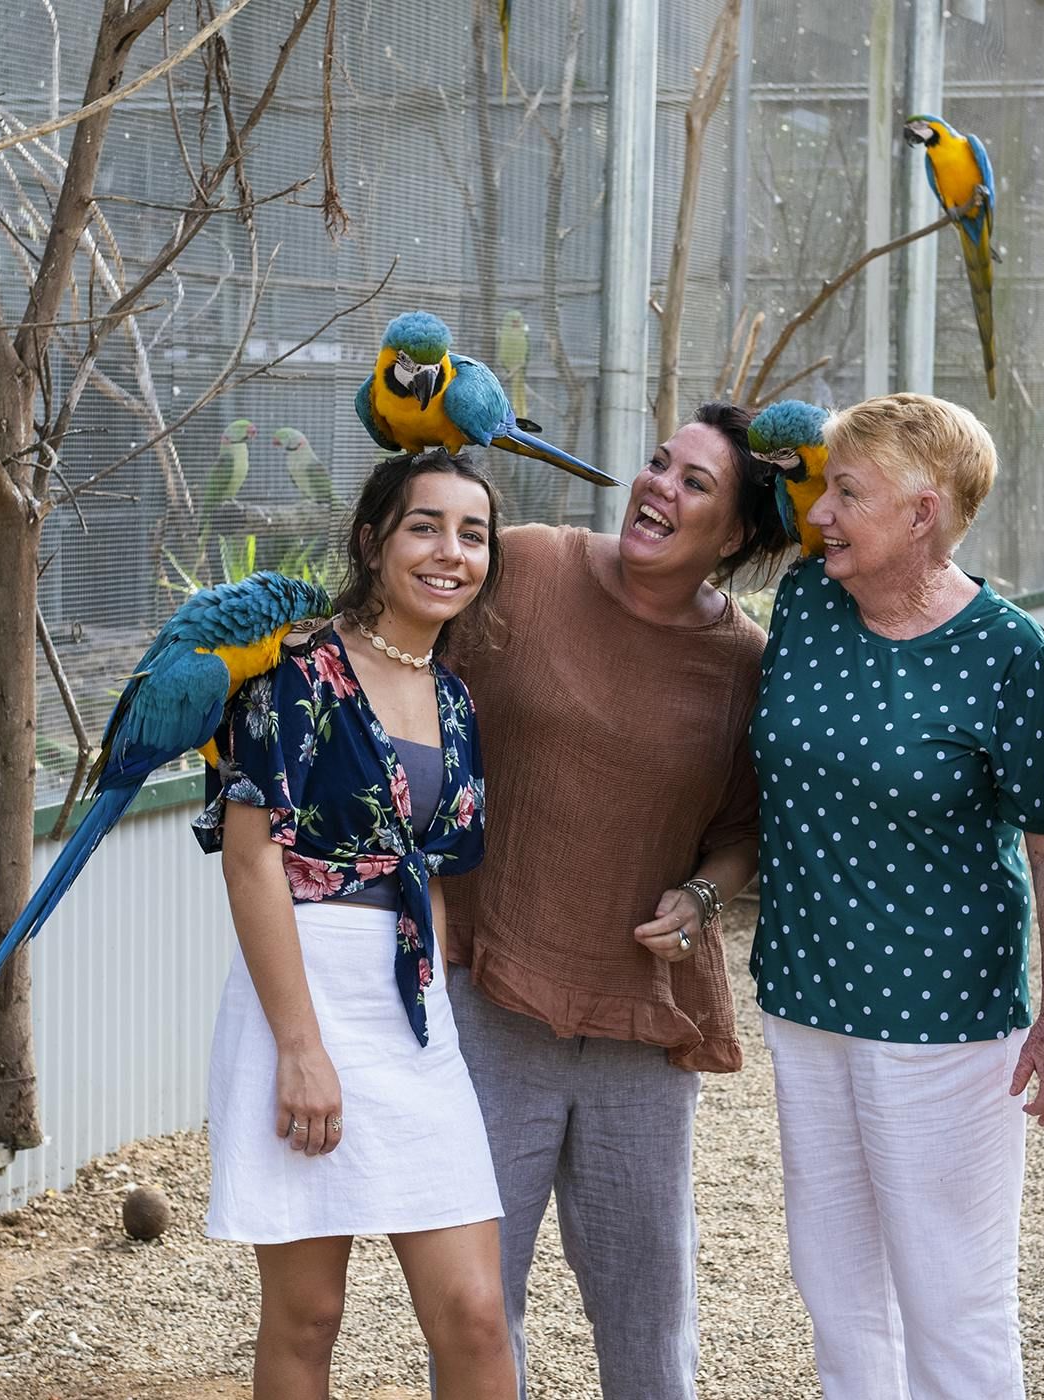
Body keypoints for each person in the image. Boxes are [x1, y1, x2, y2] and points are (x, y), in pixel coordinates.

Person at [439, 401, 793, 1400]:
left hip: (642, 1016)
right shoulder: (531, 564)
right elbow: (408, 672)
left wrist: (698, 892)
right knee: (471, 1310)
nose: (656, 487)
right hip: (491, 993)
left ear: (734, 536)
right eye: (656, 462)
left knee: (647, 1322)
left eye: (695, 483)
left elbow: (742, 827)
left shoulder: (745, 665)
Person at [750, 392, 1044, 1400]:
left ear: (922, 512)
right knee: (836, 1286)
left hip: (942, 1017)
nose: (820, 513)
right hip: (805, 1003)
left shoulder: (1004, 649)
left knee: (951, 1295)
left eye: (847, 493)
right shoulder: (811, 601)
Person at [193, 447, 516, 1398]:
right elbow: (253, 859)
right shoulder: (293, 673)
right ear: (372, 542)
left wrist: (438, 1012)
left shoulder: (456, 702)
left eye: (473, 533)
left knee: (475, 1312)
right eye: (426, 526)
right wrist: (301, 1047)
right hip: (304, 987)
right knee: (308, 1314)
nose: (450, 552)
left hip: (411, 1012)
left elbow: (439, 870)